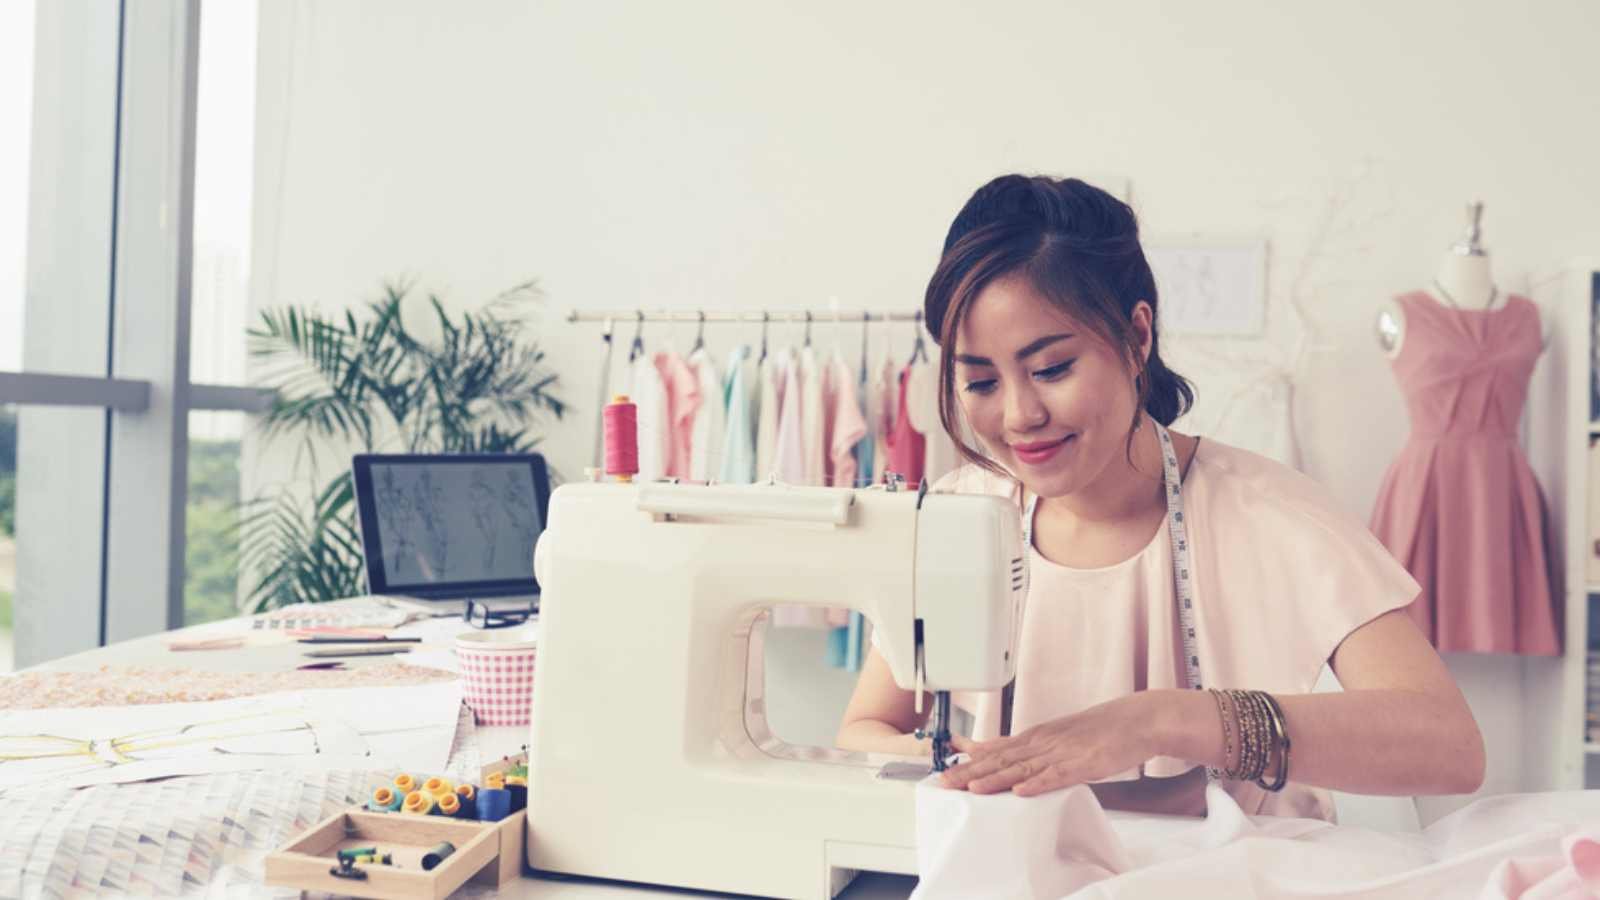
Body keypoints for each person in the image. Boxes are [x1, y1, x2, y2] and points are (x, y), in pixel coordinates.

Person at [835, 175, 1485, 819]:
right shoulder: (962, 517)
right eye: (979, 382)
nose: (1018, 415)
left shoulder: (1265, 513)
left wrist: (1167, 720)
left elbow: (1450, 747)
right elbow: (865, 729)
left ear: (1137, 336)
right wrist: (961, 769)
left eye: (1051, 369)